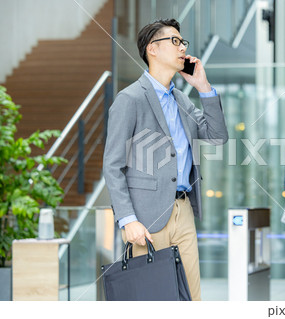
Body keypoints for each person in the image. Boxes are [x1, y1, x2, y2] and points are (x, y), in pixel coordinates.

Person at [103, 18, 228, 301]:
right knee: (151, 298)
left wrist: (203, 86)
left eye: (182, 42)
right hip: (146, 217)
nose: (182, 47)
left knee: (191, 297)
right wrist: (127, 219)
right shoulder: (130, 99)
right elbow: (113, 165)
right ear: (152, 49)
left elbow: (217, 137)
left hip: (183, 210)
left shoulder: (182, 100)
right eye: (175, 41)